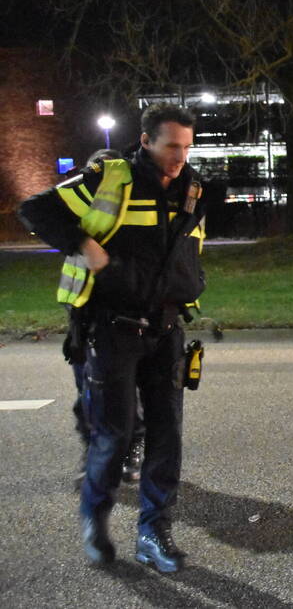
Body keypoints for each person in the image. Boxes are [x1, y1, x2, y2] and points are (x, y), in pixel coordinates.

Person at [19, 103, 206, 573]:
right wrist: (86, 248)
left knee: (167, 435)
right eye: (171, 146)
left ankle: (153, 533)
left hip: (166, 327)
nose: (180, 156)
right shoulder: (110, 179)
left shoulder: (192, 188)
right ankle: (95, 521)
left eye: (186, 146)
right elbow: (36, 209)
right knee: (114, 436)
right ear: (146, 141)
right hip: (111, 327)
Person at [67, 149, 146, 490]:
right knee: (87, 390)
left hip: (122, 315)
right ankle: (93, 453)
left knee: (124, 391)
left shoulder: (131, 213)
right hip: (84, 314)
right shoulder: (78, 209)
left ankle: (130, 451)